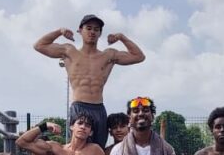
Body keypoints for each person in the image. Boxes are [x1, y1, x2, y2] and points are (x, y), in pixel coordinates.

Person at [34, 15, 145, 147]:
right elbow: (39, 46)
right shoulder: (69, 51)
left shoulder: (108, 55)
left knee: (98, 149)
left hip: (98, 108)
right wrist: (59, 31)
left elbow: (139, 56)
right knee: (78, 149)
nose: (92, 32)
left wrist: (121, 37)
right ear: (80, 30)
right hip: (79, 106)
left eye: (96, 29)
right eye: (89, 28)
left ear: (100, 33)